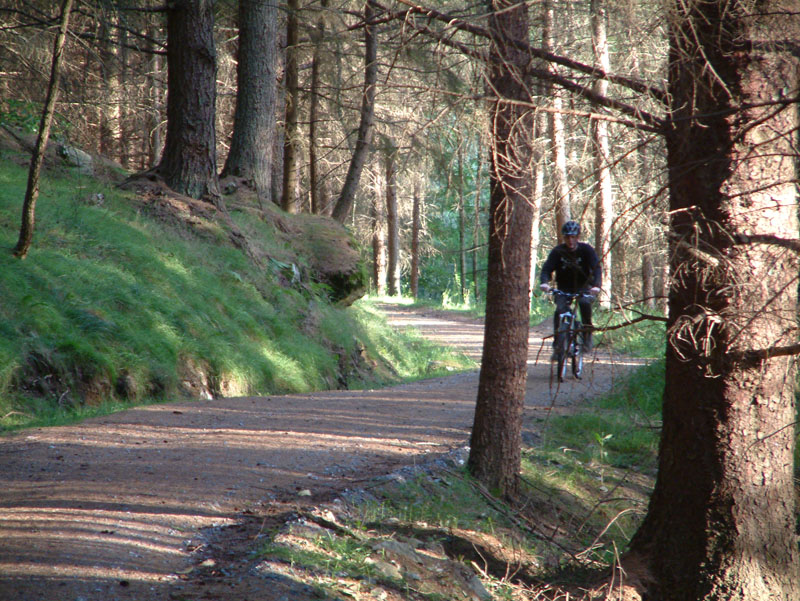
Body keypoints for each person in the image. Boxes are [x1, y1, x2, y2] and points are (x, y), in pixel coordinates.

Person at [539, 220, 601, 356]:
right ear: (563, 237)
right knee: (560, 311)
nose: (570, 240)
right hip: (563, 288)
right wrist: (544, 282)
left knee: (584, 304)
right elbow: (546, 269)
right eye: (567, 237)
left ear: (578, 237)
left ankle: (586, 336)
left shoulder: (586, 250)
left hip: (584, 287)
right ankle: (558, 346)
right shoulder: (558, 252)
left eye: (573, 237)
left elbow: (596, 269)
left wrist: (596, 286)